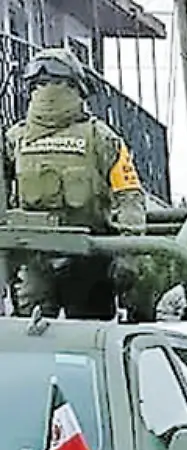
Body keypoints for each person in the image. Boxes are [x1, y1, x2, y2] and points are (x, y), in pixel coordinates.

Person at [2, 48, 147, 320]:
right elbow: (130, 197)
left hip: (38, 259)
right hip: (88, 255)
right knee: (90, 339)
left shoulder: (16, 138)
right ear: (78, 86)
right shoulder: (101, 137)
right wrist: (128, 253)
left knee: (31, 339)